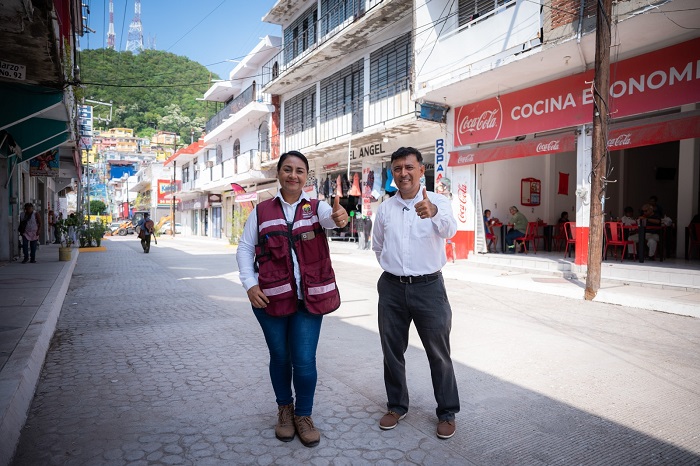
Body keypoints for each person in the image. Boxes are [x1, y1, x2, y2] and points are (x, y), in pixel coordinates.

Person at [236, 150, 348, 448]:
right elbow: (245, 250)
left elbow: (332, 220)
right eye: (287, 169)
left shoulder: (317, 208)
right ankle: (284, 410)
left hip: (309, 301)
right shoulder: (260, 212)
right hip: (270, 300)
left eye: (299, 171)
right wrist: (249, 284)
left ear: (306, 177)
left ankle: (304, 415)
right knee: (281, 358)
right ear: (279, 173)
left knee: (304, 362)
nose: (293, 175)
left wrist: (339, 216)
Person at [371, 147, 459, 440]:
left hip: (429, 287)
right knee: (392, 351)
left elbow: (450, 230)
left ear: (422, 170)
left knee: (439, 353)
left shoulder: (438, 201)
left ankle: (446, 412)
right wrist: (393, 269)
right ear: (392, 174)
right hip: (392, 288)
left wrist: (433, 214)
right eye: (397, 168)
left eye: (409, 167)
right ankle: (397, 406)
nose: (403, 173)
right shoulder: (385, 209)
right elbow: (378, 246)